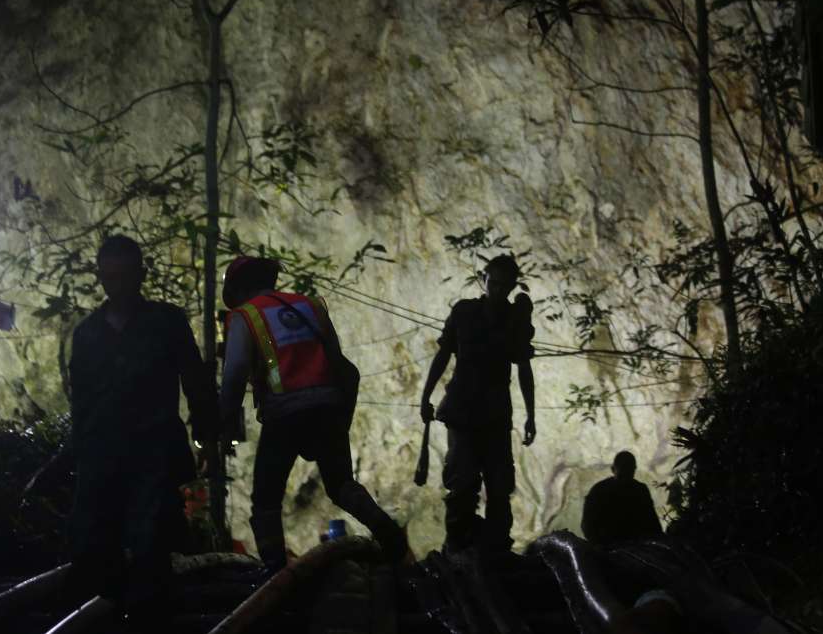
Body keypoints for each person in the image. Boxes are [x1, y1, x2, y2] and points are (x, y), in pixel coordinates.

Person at [218, 256, 407, 573]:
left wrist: (225, 429)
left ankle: (274, 572)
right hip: (328, 407)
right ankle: (391, 537)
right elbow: (342, 366)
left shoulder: (245, 315)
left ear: (238, 290)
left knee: (266, 498)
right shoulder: (310, 306)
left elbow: (235, 373)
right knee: (341, 484)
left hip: (284, 412)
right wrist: (339, 420)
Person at [67, 235, 217, 629]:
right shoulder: (87, 334)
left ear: (140, 275)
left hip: (155, 449)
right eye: (108, 276)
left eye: (123, 276)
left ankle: (153, 620)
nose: (115, 284)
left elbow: (195, 380)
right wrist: (79, 455)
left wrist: (205, 436)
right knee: (99, 546)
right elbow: (80, 402)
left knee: (152, 543)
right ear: (100, 277)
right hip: (104, 455)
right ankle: (116, 616)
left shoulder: (165, 322)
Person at [420, 254, 537, 553]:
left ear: (512, 286)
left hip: (496, 413)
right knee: (463, 484)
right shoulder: (464, 312)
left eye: (503, 285)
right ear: (483, 280)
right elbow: (443, 355)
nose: (497, 289)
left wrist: (531, 416)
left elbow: (524, 368)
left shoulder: (515, 320)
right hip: (462, 409)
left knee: (499, 486)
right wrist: (425, 395)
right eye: (493, 282)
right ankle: (458, 546)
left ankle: (497, 548)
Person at [581, 451, 663, 545]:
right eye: (622, 475)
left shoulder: (599, 490)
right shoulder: (599, 491)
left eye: (628, 474)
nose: (625, 480)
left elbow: (653, 525)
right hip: (613, 549)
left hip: (633, 547)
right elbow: (588, 527)